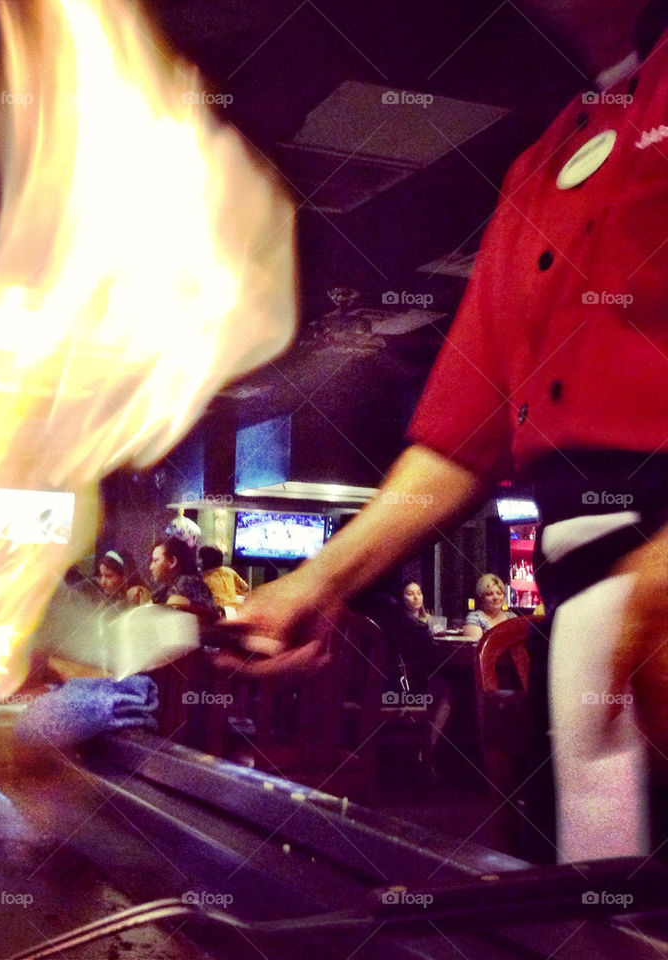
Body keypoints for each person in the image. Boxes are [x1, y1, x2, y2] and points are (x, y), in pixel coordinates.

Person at [238, 0, 668, 863]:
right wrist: (319, 581)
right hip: (578, 604)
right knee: (591, 915)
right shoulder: (537, 164)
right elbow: (460, 430)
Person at [383, 581, 453, 778]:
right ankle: (425, 755)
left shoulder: (425, 620)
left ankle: (423, 754)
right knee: (443, 690)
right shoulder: (406, 626)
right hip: (398, 695)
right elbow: (427, 652)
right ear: (400, 599)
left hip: (388, 690)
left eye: (419, 593)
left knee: (440, 686)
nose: (416, 598)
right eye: (410, 594)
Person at [149, 536, 217, 616]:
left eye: (156, 560)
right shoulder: (167, 587)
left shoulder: (185, 588)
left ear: (172, 562)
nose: (151, 567)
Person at [463, 574, 517, 639]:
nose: (495, 597)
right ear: (481, 598)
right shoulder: (475, 618)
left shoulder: (512, 618)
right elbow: (477, 647)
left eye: (499, 593)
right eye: (489, 594)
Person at [198, 546, 249, 613]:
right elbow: (245, 587)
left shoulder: (202, 578)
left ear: (204, 561)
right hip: (236, 609)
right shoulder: (230, 571)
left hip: (218, 612)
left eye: (199, 558)